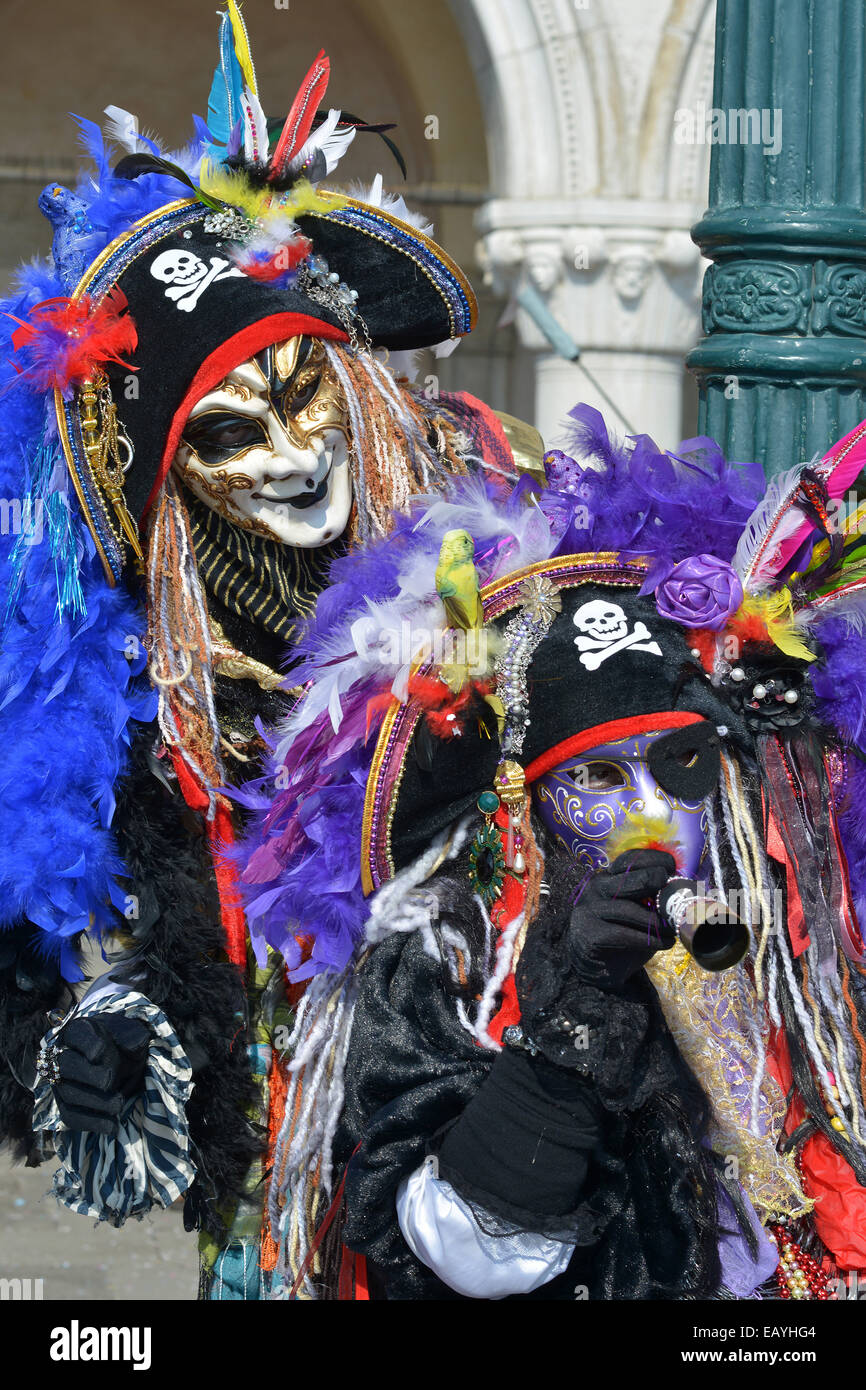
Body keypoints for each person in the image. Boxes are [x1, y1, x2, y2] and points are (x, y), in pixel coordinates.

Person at [0, 4, 522, 1299]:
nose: (295, 459)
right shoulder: (147, 695)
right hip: (293, 1193)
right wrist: (90, 1047)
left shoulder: (484, 557)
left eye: (305, 399)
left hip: (509, 1121)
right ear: (167, 483)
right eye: (230, 434)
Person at [240, 405, 866, 1298]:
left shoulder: (784, 913)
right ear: (522, 805)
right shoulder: (455, 951)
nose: (653, 817)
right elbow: (461, 1253)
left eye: (678, 766)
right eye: (599, 780)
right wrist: (579, 1005)